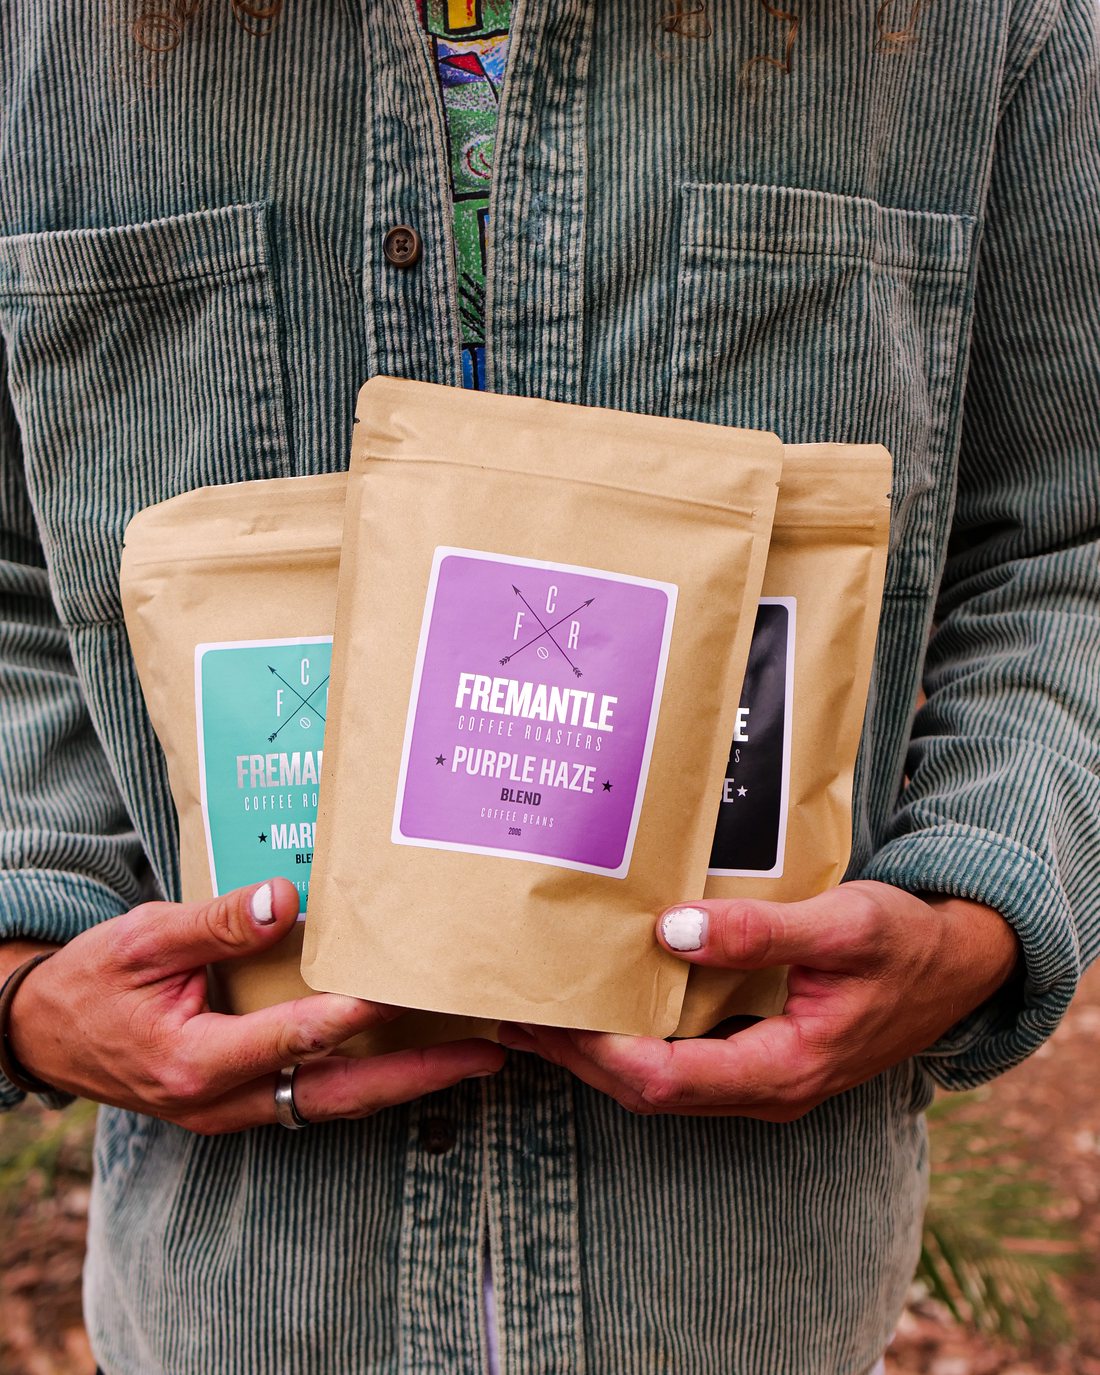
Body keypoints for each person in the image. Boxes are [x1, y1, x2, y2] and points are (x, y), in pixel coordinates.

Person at [0, 2, 1097, 1373]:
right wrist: (26, 979)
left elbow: (1065, 551)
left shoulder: (986, 31)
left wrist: (976, 915)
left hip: (743, 1303)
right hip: (237, 1308)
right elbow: (19, 583)